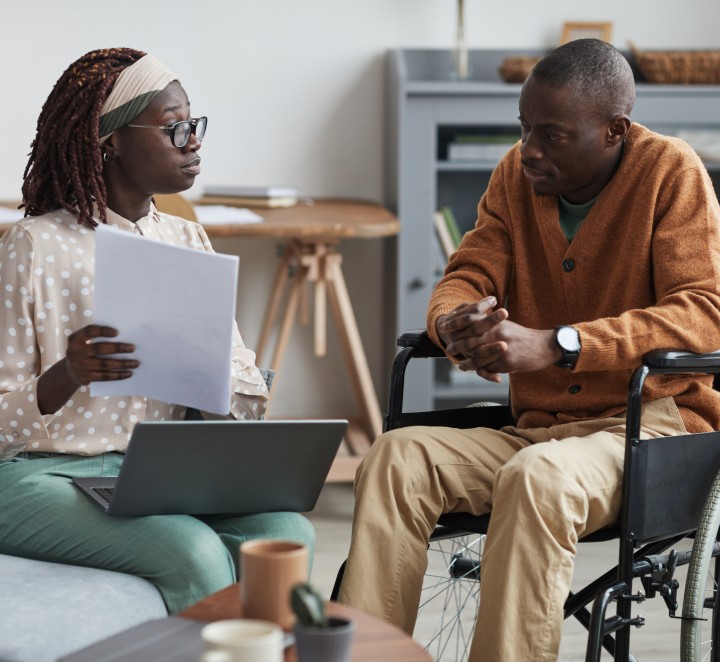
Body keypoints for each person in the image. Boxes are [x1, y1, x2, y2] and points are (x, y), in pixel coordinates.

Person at [338, 38, 720, 661]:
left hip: (650, 430)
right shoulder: (516, 177)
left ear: (614, 130)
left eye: (551, 134)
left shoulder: (670, 172)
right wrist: (452, 322)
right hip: (539, 430)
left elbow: (703, 314)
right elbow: (468, 271)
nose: (528, 149)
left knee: (535, 478)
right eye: (522, 128)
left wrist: (562, 345)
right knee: (394, 457)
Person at [0, 47, 314, 614]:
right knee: (189, 548)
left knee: (287, 532)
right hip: (41, 475)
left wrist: (216, 377)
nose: (193, 142)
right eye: (173, 129)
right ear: (111, 139)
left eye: (193, 125)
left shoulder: (186, 239)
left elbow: (243, 389)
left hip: (160, 469)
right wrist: (68, 373)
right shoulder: (33, 244)